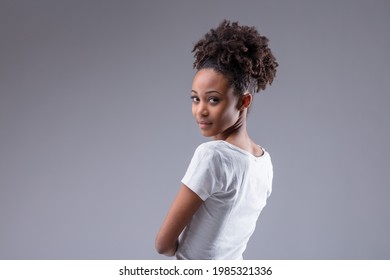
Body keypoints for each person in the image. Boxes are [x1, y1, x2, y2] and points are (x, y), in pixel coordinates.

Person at [155, 20, 278, 260]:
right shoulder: (265, 163)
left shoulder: (213, 156)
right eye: (195, 98)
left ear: (244, 101)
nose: (200, 110)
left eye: (213, 100)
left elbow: (163, 244)